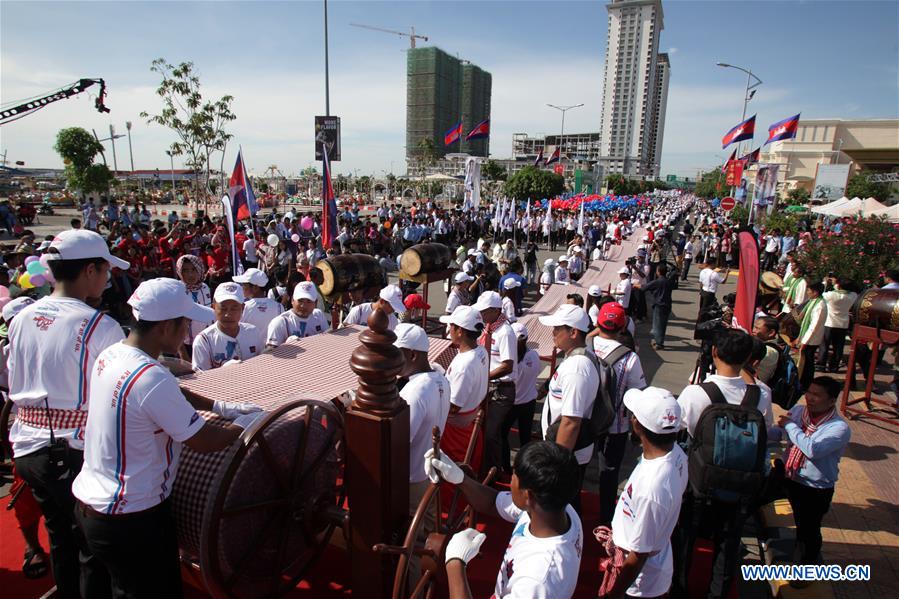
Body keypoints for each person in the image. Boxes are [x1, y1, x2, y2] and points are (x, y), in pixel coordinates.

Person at [71, 278, 264, 597]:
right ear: (164, 327)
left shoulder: (113, 354)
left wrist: (218, 406)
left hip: (92, 503)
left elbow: (170, 390)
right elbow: (204, 441)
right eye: (184, 323)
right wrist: (246, 424)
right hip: (131, 516)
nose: (187, 331)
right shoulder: (150, 378)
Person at [7, 229, 132, 598]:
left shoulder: (22, 317)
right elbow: (116, 391)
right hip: (71, 451)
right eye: (106, 270)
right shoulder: (99, 326)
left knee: (60, 534)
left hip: (27, 447)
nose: (108, 279)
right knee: (91, 548)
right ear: (89, 270)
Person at [674, 328, 773, 599]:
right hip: (741, 486)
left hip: (700, 483)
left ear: (714, 352)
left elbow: (680, 428)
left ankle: (679, 590)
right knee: (728, 545)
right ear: (749, 358)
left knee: (685, 540)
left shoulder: (696, 393)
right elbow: (767, 432)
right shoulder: (761, 395)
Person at [426, 441, 583, 599]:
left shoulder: (537, 582)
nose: (510, 483)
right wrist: (461, 478)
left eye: (514, 477)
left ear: (528, 495)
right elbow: (493, 502)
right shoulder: (555, 508)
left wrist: (455, 562)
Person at [597, 387, 688, 599]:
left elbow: (639, 554)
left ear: (637, 425)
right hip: (651, 568)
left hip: (640, 585)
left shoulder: (652, 488)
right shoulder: (676, 453)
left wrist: (613, 594)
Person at [769, 376, 851, 565]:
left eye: (817, 395)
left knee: (807, 531)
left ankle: (805, 567)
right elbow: (780, 434)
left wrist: (790, 425)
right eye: (809, 392)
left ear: (831, 401)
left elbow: (812, 449)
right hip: (788, 475)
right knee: (753, 499)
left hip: (813, 488)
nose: (809, 398)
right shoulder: (799, 411)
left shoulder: (839, 428)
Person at [537, 304, 599, 505]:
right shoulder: (577, 358)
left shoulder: (576, 367)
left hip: (566, 452)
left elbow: (571, 421)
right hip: (565, 448)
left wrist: (557, 464)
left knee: (562, 505)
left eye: (557, 328)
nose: (553, 333)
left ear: (573, 332)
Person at [591, 302, 646, 525]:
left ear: (598, 323)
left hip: (583, 421)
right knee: (609, 472)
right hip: (616, 425)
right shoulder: (630, 358)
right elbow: (639, 395)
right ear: (623, 327)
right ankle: (606, 519)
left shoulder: (585, 346)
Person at [439, 306, 489, 472]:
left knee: (451, 472)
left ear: (460, 331)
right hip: (471, 419)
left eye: (451, 326)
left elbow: (453, 407)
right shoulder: (481, 350)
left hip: (456, 432)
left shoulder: (464, 365)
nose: (449, 330)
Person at [474, 291, 518, 474]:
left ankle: (493, 471)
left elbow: (508, 366)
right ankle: (487, 467)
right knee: (485, 431)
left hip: (501, 389)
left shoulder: (505, 332)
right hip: (491, 385)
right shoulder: (488, 328)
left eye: (484, 311)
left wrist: (484, 376)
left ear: (495, 310)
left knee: (491, 433)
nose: (481, 315)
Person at [501, 322, 541, 473]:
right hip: (529, 402)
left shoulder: (511, 361)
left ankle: (506, 469)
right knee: (525, 438)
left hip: (512, 403)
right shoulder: (534, 355)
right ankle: (525, 470)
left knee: (502, 434)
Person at [192, 282, 261, 371]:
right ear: (213, 307)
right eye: (223, 308)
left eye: (234, 308)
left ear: (243, 308)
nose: (228, 314)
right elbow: (200, 376)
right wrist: (223, 372)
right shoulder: (204, 340)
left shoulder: (253, 332)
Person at [265, 281, 328, 348]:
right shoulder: (280, 323)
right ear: (292, 300)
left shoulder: (318, 315)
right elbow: (270, 352)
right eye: (300, 300)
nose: (303, 306)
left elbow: (327, 342)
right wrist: (286, 348)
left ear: (315, 303)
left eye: (308, 301)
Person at [234, 267, 283, 349]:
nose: (242, 287)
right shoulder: (278, 306)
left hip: (249, 351)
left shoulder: (243, 307)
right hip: (273, 351)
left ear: (255, 288)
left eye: (244, 285)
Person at [175, 254, 214, 357]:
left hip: (207, 342)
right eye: (185, 270)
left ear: (200, 269)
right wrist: (183, 354)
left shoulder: (205, 288)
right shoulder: (177, 291)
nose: (190, 274)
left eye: (193, 269)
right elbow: (175, 326)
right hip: (187, 346)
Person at [817, 278, 857, 373]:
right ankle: (834, 366)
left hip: (830, 322)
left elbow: (821, 294)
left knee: (825, 345)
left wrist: (825, 283)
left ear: (839, 285)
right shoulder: (853, 295)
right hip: (843, 324)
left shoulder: (831, 295)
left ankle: (821, 364)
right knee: (838, 347)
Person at [793, 282, 827, 391]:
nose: (807, 292)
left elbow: (814, 325)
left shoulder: (820, 305)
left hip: (812, 339)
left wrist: (805, 341)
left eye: (809, 291)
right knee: (805, 361)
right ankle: (803, 381)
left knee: (808, 362)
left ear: (815, 292)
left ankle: (806, 383)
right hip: (807, 336)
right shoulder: (812, 302)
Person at [643, 262, 675, 350]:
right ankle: (659, 341)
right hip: (667, 305)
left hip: (659, 305)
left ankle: (659, 343)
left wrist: (636, 286)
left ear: (658, 271)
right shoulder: (668, 281)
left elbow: (644, 288)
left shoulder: (657, 281)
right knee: (662, 325)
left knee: (658, 325)